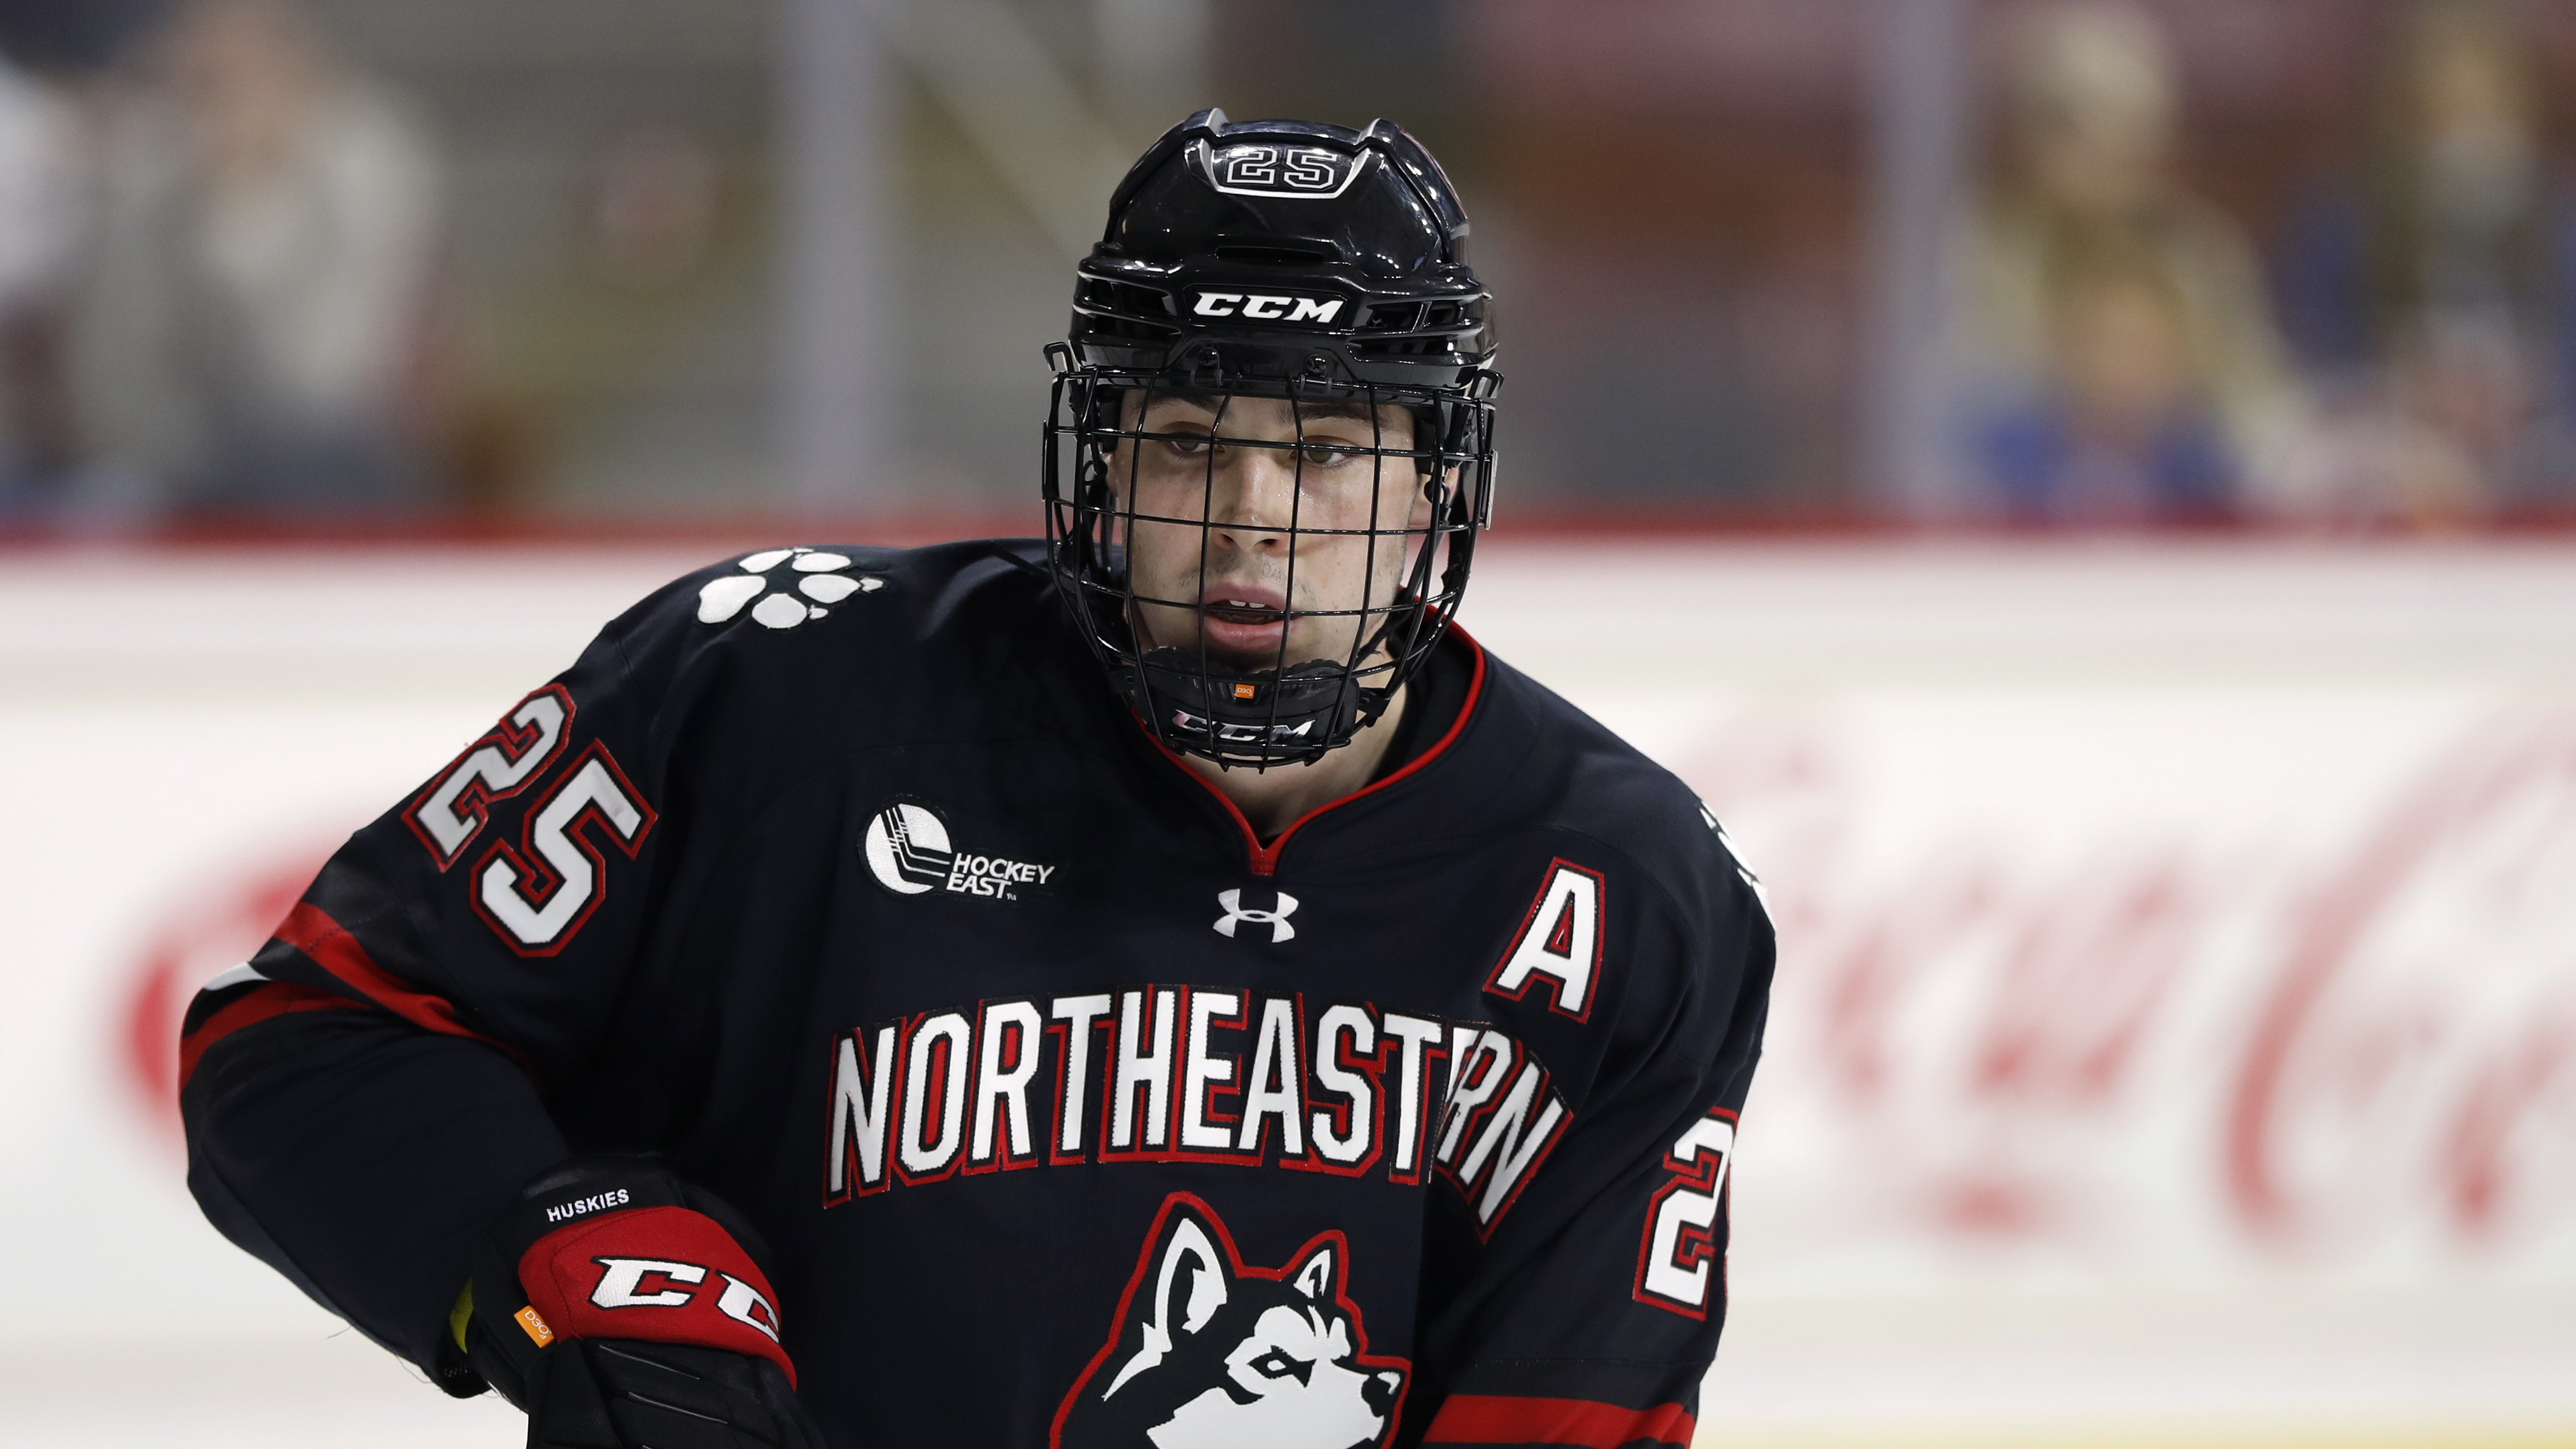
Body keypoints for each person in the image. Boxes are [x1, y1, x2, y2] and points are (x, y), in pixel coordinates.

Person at [177, 111, 1774, 1449]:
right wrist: (562, 1244)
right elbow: (306, 1040)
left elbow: (1560, 1409)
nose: (1252, 519)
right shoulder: (773, 687)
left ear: (1439, 482)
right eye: (1187, 438)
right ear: (1094, 452)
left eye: (1334, 448)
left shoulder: (1629, 888)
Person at [1957, 0, 2304, 523]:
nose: (2095, 147)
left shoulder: (2200, 255)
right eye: (2065, 125)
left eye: (2118, 121)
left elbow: (2265, 413)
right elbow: (1954, 422)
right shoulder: (1982, 255)